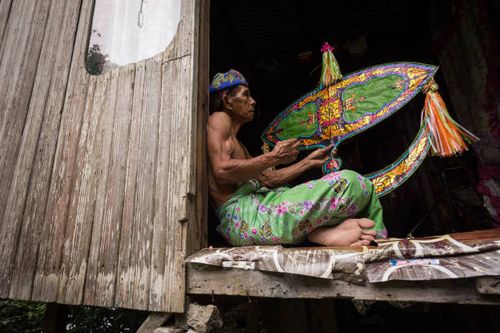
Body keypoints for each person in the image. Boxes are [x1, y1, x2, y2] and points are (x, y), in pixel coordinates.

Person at [207, 69, 387, 247]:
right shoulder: (219, 118)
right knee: (349, 183)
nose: (252, 102)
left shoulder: (238, 142)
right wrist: (274, 157)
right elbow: (222, 171)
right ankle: (320, 231)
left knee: (363, 187)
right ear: (226, 100)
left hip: (259, 211)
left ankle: (322, 232)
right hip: (245, 218)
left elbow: (267, 180)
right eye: (245, 95)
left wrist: (307, 162)